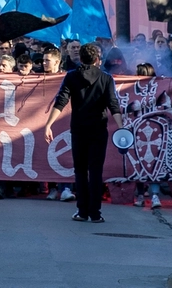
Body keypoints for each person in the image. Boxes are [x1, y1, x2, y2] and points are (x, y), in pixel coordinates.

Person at [44, 43, 124, 223]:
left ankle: (82, 211)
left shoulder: (71, 76)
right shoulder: (106, 78)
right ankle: (95, 213)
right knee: (95, 171)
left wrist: (48, 124)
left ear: (80, 58)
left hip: (79, 130)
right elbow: (113, 105)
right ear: (97, 59)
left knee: (80, 170)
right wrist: (121, 127)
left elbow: (61, 101)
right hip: (98, 129)